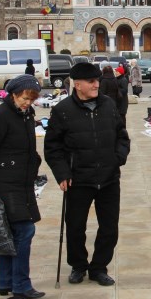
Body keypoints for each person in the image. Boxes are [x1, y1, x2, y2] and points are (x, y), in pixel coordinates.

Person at [44, 63, 130, 287]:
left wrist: (117, 157)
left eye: (97, 80)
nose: (96, 85)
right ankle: (78, 265)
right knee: (75, 226)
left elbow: (122, 136)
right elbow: (52, 147)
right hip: (78, 179)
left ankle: (99, 267)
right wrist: (62, 172)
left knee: (109, 227)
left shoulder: (108, 104)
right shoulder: (62, 110)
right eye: (91, 81)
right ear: (78, 84)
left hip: (109, 178)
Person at [0, 74, 45, 299]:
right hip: (5, 182)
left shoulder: (26, 114)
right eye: (25, 98)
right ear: (14, 94)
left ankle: (6, 282)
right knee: (24, 230)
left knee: (8, 233)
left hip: (22, 181)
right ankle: (21, 285)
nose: (28, 102)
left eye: (32, 99)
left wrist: (34, 162)